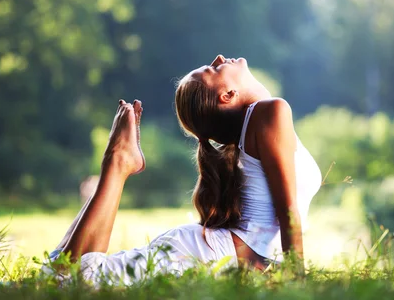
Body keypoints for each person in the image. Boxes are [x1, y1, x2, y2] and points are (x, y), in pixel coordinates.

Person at [45, 55, 322, 285]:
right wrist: (297, 282)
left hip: (211, 252)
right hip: (204, 253)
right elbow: (288, 213)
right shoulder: (271, 112)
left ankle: (118, 162)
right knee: (71, 279)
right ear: (227, 95)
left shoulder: (261, 122)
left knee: (65, 276)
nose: (219, 58)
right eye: (214, 69)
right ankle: (117, 161)